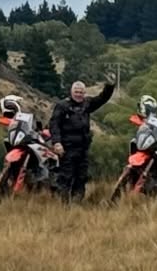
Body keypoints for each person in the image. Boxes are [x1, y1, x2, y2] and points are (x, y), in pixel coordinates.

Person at [48, 73, 117, 202]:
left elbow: (102, 98)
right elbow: (54, 125)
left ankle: (77, 203)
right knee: (66, 177)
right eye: (76, 91)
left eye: (81, 92)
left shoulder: (87, 104)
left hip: (83, 148)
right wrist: (57, 142)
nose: (78, 94)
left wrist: (110, 86)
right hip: (67, 148)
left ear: (84, 93)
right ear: (71, 92)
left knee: (81, 177)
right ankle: (63, 205)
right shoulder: (63, 106)